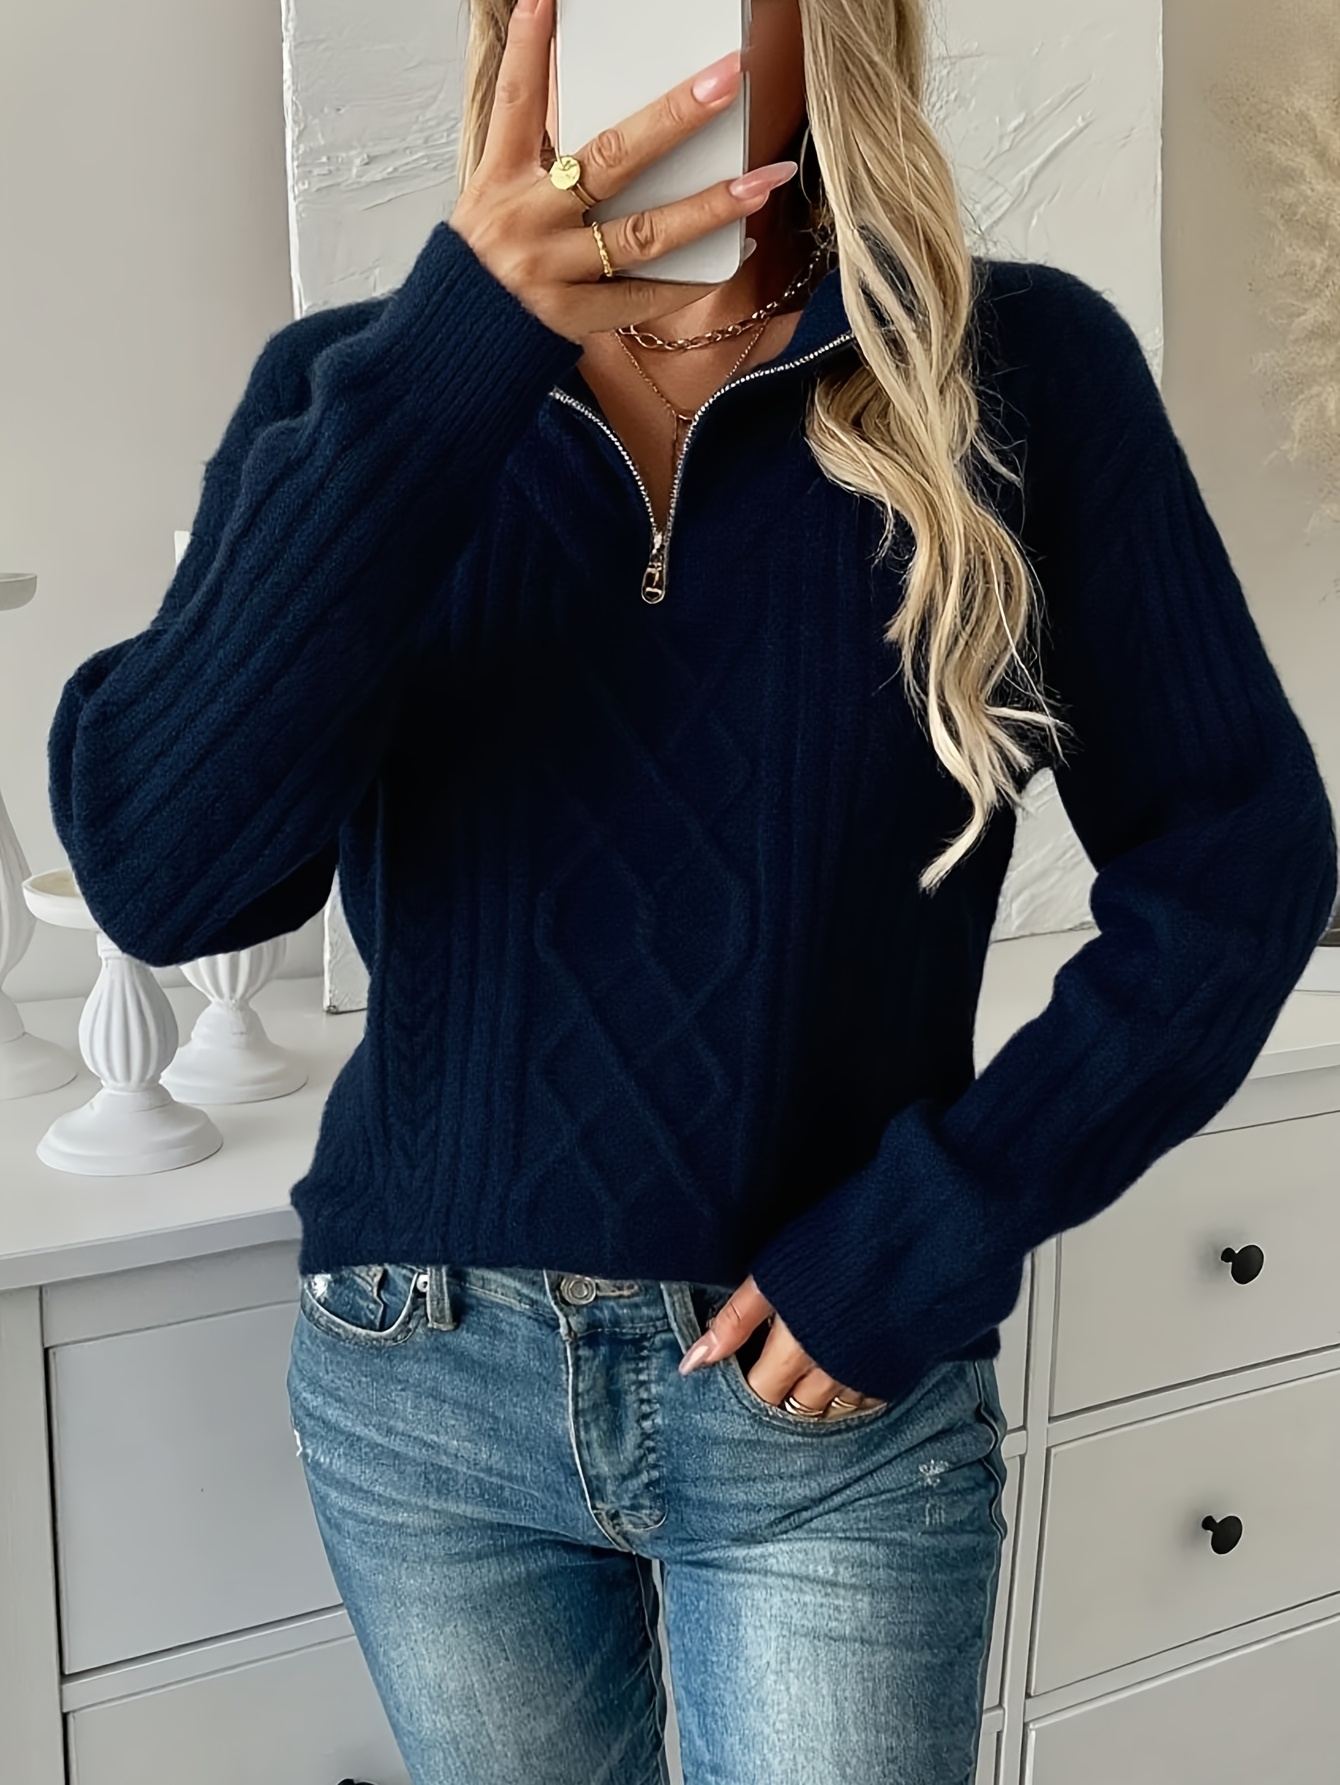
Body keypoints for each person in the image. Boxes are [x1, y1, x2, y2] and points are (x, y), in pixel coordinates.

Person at [46, 0, 1337, 1780]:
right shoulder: (359, 388)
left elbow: (1241, 860)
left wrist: (936, 1225)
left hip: (828, 1411)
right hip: (422, 1384)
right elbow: (162, 870)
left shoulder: (1021, 371)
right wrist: (456, 351)